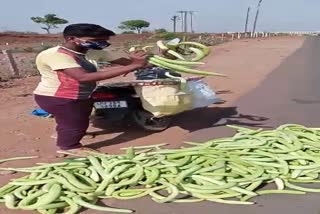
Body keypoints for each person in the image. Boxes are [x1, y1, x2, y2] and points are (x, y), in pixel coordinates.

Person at [33, 23, 148, 155]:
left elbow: (129, 63)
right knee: (75, 122)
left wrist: (143, 61)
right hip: (58, 97)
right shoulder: (55, 55)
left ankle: (64, 133)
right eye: (96, 41)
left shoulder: (93, 52)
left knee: (72, 119)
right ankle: (70, 146)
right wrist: (133, 66)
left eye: (104, 41)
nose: (102, 44)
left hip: (80, 95)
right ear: (71, 39)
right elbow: (83, 77)